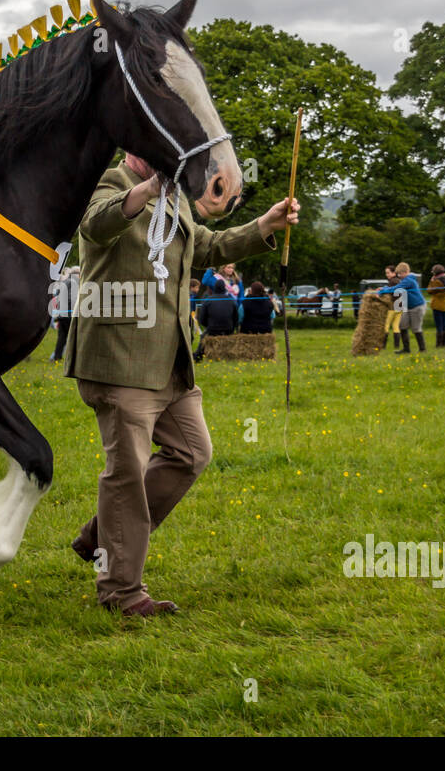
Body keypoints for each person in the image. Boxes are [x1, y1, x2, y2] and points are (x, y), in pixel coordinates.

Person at [64, 151, 299, 617]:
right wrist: (147, 189)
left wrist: (264, 225)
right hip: (119, 357)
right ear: (135, 145)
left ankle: (100, 536)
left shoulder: (176, 198)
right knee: (127, 474)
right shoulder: (106, 179)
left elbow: (206, 247)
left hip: (171, 360)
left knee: (192, 452)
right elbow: (95, 225)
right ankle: (121, 591)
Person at [379, 262, 426, 353]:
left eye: (400, 274)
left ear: (405, 272)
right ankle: (406, 349)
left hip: (417, 306)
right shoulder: (405, 280)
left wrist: (382, 291)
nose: (399, 276)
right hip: (407, 307)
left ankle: (422, 349)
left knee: (416, 328)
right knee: (402, 325)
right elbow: (395, 287)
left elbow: (396, 288)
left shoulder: (408, 280)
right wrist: (384, 288)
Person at [194, 278, 238, 359]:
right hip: (228, 330)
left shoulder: (208, 301)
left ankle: (198, 355)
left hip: (212, 330)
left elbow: (202, 319)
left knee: (203, 337)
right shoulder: (232, 301)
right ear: (224, 288)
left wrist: (209, 326)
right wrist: (232, 328)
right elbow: (236, 319)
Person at [47, 266, 79, 361]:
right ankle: (72, 358)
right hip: (69, 314)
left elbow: (57, 296)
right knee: (73, 336)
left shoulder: (65, 282)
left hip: (61, 314)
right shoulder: (74, 283)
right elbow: (70, 299)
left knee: (62, 337)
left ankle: (57, 356)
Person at [426, 264, 445, 347]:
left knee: (439, 326)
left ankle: (439, 344)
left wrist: (431, 281)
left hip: (437, 304)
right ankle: (444, 344)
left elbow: (429, 290)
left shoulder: (437, 281)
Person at [381, 265, 403, 351]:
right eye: (386, 273)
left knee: (386, 326)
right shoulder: (399, 280)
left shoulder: (392, 281)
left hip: (392, 307)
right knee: (396, 326)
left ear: (394, 273)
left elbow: (389, 293)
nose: (387, 275)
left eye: (388, 273)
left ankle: (383, 346)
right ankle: (396, 346)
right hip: (400, 307)